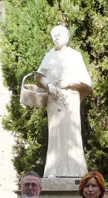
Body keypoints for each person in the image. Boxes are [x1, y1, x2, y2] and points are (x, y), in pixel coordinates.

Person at [36, 25, 93, 178]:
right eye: (53, 35)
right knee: (55, 134)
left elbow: (86, 81)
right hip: (54, 100)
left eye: (59, 34)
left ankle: (76, 171)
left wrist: (69, 82)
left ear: (67, 37)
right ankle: (53, 171)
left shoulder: (75, 55)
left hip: (70, 98)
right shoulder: (49, 56)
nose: (55, 37)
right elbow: (39, 76)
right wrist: (48, 85)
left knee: (71, 134)